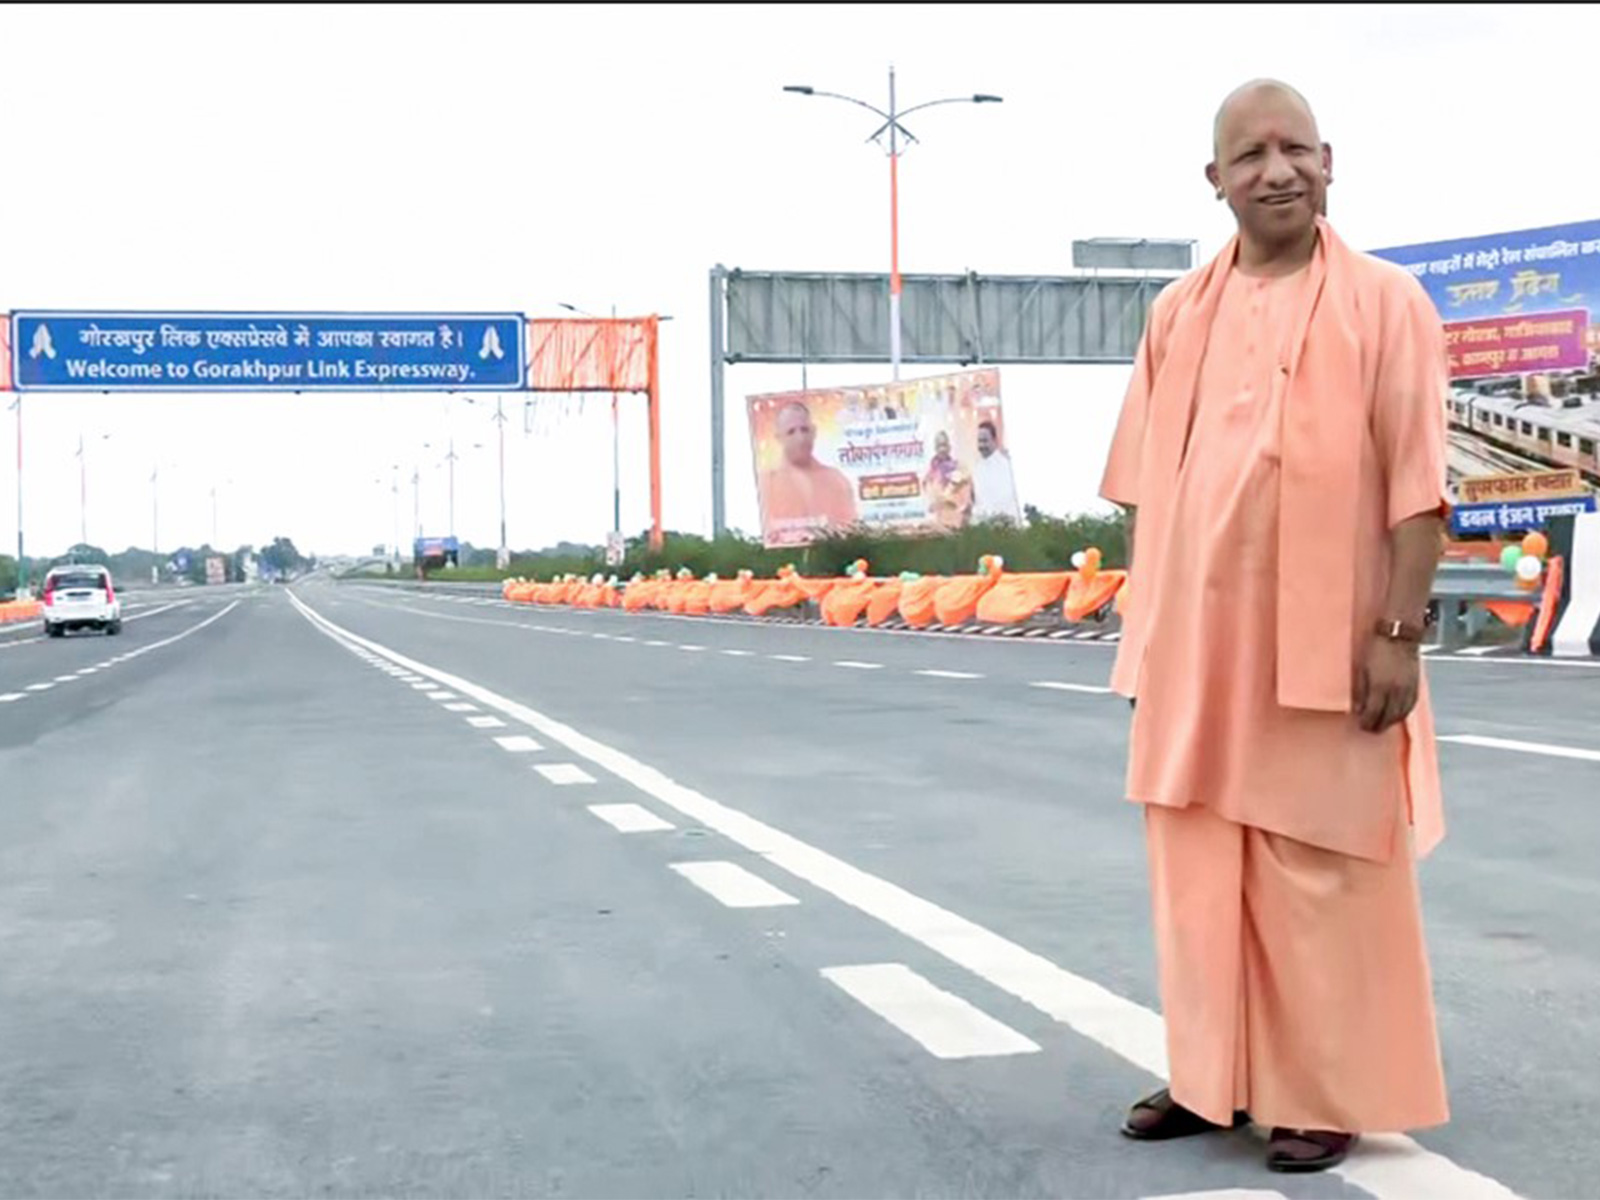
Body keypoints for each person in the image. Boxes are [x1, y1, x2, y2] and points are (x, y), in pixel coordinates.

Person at [1098, 79, 1452, 1174]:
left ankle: (1318, 1089)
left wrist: (1396, 631)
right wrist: (1143, 627)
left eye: (1294, 148)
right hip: (1195, 648)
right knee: (1198, 863)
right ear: (1216, 183)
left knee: (1320, 866)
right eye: (1249, 154)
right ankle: (1212, 1080)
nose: (1276, 170)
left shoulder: (1387, 303)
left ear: (1330, 161)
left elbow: (1416, 485)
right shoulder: (1177, 314)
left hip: (1330, 643)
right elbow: (1144, 492)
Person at [759, 400, 859, 535]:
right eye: (791, 432)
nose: (800, 438)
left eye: (804, 430)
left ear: (813, 432)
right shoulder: (766, 482)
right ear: (779, 438)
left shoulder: (836, 481)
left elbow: (850, 531)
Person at [970, 420, 1022, 523]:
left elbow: (1007, 499)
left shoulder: (1006, 465)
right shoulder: (977, 468)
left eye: (985, 441)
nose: (981, 445)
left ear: (994, 440)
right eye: (979, 441)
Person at [922, 431, 973, 530]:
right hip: (938, 526)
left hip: (957, 524)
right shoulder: (930, 475)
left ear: (949, 447)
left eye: (944, 445)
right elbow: (928, 501)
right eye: (939, 446)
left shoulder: (960, 468)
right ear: (935, 449)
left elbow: (967, 498)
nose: (942, 449)